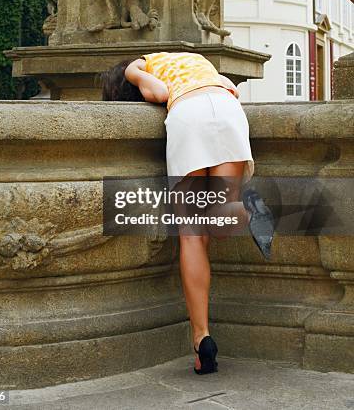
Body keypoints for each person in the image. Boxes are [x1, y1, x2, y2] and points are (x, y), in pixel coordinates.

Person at [101, 51, 275, 375]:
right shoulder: (196, 59)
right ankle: (248, 212)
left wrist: (135, 77)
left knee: (192, 234)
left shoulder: (136, 66)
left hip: (189, 117)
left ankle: (202, 339)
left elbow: (160, 93)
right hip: (227, 110)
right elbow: (229, 87)